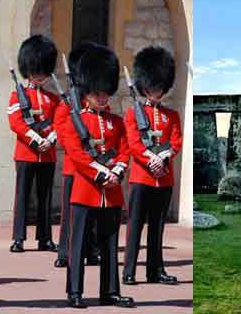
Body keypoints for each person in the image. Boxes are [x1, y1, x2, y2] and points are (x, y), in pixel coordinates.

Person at [62, 46, 134, 308]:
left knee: (110, 245)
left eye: (105, 93)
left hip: (111, 192)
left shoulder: (116, 122)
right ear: (86, 92)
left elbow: (125, 149)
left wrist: (117, 170)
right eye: (96, 93)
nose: (102, 98)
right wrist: (101, 171)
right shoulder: (75, 120)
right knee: (78, 245)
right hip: (85, 191)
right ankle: (75, 292)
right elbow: (76, 154)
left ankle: (111, 291)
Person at [123, 46, 182, 285]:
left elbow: (176, 141)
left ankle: (155, 270)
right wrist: (152, 159)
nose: (156, 91)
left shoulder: (172, 115)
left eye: (159, 86)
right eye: (152, 86)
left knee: (157, 228)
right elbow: (134, 143)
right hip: (142, 177)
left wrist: (164, 158)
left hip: (164, 177)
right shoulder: (132, 114)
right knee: (135, 226)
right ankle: (129, 271)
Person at [7, 35, 59, 253]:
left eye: (43, 71)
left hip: (47, 154)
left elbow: (60, 123)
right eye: (36, 70)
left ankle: (45, 238)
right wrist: (37, 139)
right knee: (23, 196)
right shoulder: (17, 96)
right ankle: (18, 238)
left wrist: (50, 139)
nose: (40, 75)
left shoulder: (52, 99)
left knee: (45, 196)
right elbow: (16, 122)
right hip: (26, 153)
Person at [53, 42, 101, 268]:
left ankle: (91, 250)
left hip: (94, 166)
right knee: (70, 214)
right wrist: (77, 146)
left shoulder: (98, 106)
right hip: (74, 167)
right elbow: (60, 132)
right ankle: (65, 252)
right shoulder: (67, 104)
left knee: (93, 213)